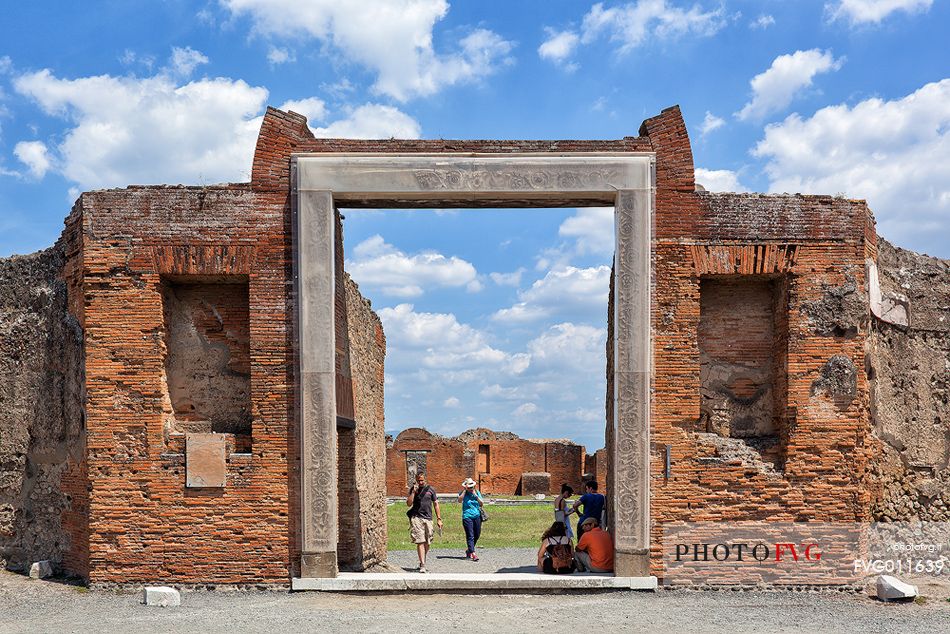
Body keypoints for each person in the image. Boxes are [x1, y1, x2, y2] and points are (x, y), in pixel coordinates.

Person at [406, 471, 442, 573]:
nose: (420, 482)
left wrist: (439, 519)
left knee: (427, 541)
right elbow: (408, 504)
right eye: (418, 480)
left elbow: (435, 504)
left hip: (428, 518)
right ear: (416, 480)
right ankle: (422, 564)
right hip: (417, 518)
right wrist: (413, 492)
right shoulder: (414, 490)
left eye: (422, 480)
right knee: (420, 541)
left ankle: (422, 560)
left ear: (425, 479)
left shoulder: (431, 490)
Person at [457, 477, 485, 561]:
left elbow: (481, 504)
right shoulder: (463, 493)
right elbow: (459, 500)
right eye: (469, 487)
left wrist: (476, 496)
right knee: (470, 535)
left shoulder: (477, 492)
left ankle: (469, 550)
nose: (470, 489)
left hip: (477, 516)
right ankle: (473, 553)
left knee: (477, 534)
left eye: (471, 487)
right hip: (467, 516)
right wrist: (465, 491)